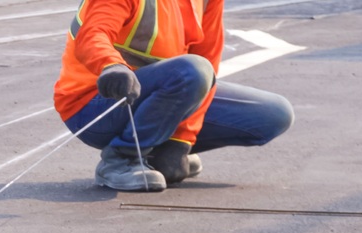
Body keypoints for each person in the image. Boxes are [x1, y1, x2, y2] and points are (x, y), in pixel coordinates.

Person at [54, 0, 293, 192]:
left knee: (274, 114)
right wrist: (111, 66)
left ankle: (156, 149)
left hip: (161, 97)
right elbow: (93, 34)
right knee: (192, 69)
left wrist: (181, 141)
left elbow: (207, 71)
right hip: (97, 103)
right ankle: (121, 159)